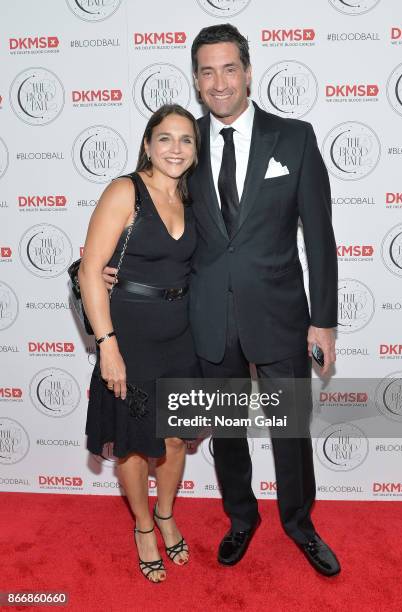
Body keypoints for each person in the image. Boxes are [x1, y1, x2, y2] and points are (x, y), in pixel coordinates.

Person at [104, 24, 341, 577]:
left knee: (291, 429)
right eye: (207, 71)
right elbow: (152, 213)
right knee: (227, 431)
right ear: (195, 79)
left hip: (281, 313)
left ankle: (300, 524)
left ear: (249, 72)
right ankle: (241, 518)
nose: (219, 81)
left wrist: (324, 322)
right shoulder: (184, 146)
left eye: (229, 68)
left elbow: (321, 236)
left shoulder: (295, 138)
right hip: (207, 317)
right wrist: (123, 267)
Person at [79, 104, 200, 583]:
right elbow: (91, 270)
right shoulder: (124, 190)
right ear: (148, 144)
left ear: (195, 150)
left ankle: (166, 514)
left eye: (186, 140)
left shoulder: (193, 200)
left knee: (173, 439)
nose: (175, 148)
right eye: (165, 138)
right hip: (131, 337)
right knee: (131, 445)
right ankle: (144, 526)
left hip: (182, 336)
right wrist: (108, 346)